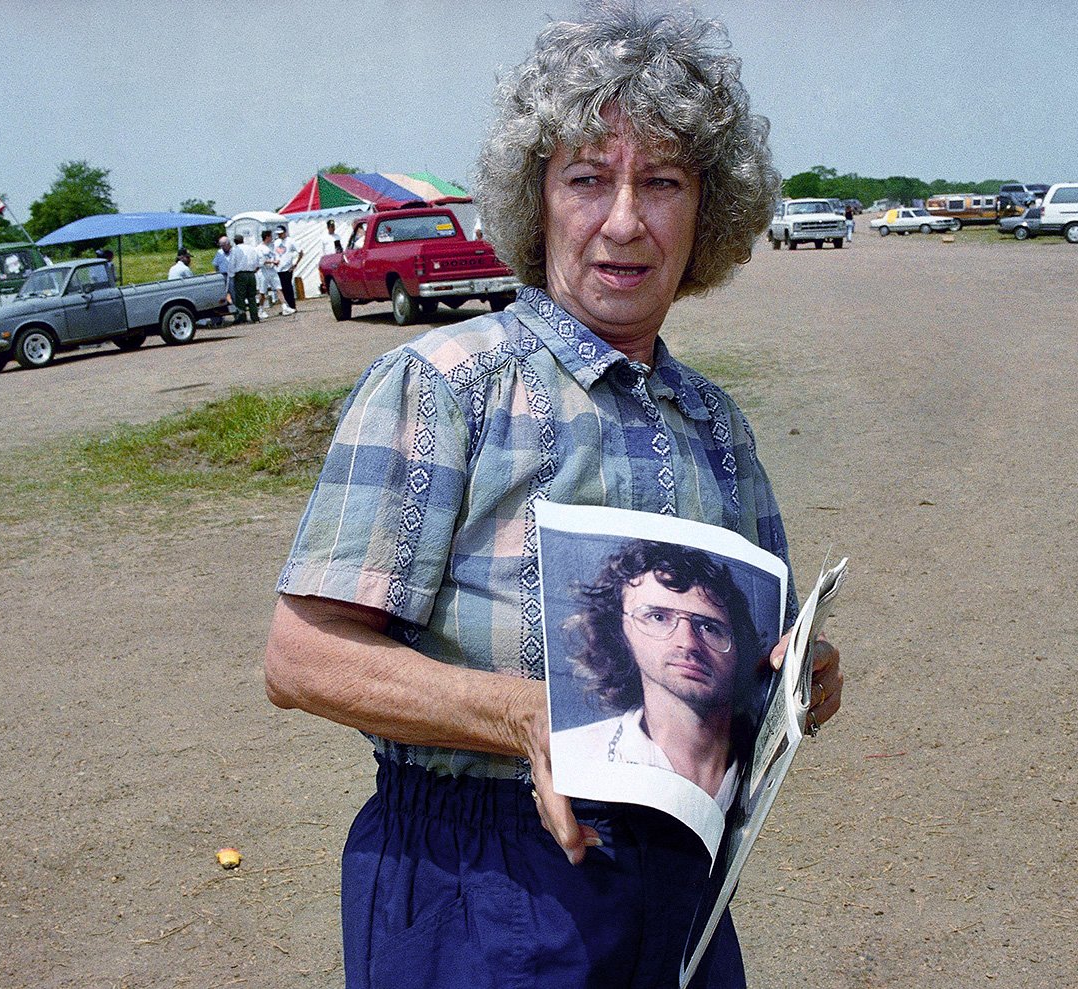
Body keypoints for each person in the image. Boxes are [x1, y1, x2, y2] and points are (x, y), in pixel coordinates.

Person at [264, 4, 842, 986]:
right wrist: (527, 714)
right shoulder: (446, 385)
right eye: (588, 178)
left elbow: (749, 653)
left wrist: (795, 676)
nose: (624, 220)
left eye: (662, 182)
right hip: (474, 879)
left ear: (707, 211)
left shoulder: (716, 424)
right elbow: (301, 655)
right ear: (538, 201)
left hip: (680, 887)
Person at [553, 540, 765, 807]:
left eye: (709, 627)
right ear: (620, 632)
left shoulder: (768, 762)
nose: (687, 643)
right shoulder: (570, 756)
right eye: (657, 617)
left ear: (740, 648)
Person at [228, 234, 261, 324]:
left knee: (240, 297)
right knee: (252, 296)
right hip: (251, 274)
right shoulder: (251, 248)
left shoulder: (235, 250)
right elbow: (257, 261)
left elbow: (232, 264)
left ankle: (243, 318)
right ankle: (255, 317)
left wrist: (231, 275)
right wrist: (255, 269)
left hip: (240, 274)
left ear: (235, 241)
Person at [274, 226, 300, 314]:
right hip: (278, 268)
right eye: (278, 234)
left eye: (281, 233)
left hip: (287, 268)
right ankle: (286, 307)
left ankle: (292, 306)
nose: (279, 235)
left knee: (288, 287)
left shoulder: (290, 241)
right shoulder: (276, 242)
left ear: (285, 232)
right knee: (282, 288)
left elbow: (300, 252)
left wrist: (295, 263)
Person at [257, 229, 280, 315]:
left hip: (272, 270)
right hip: (263, 272)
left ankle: (285, 306)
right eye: (270, 236)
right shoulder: (259, 248)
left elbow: (273, 256)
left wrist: (275, 261)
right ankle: (261, 309)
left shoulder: (271, 246)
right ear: (267, 237)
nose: (272, 238)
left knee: (278, 288)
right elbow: (261, 261)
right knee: (262, 292)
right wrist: (273, 262)